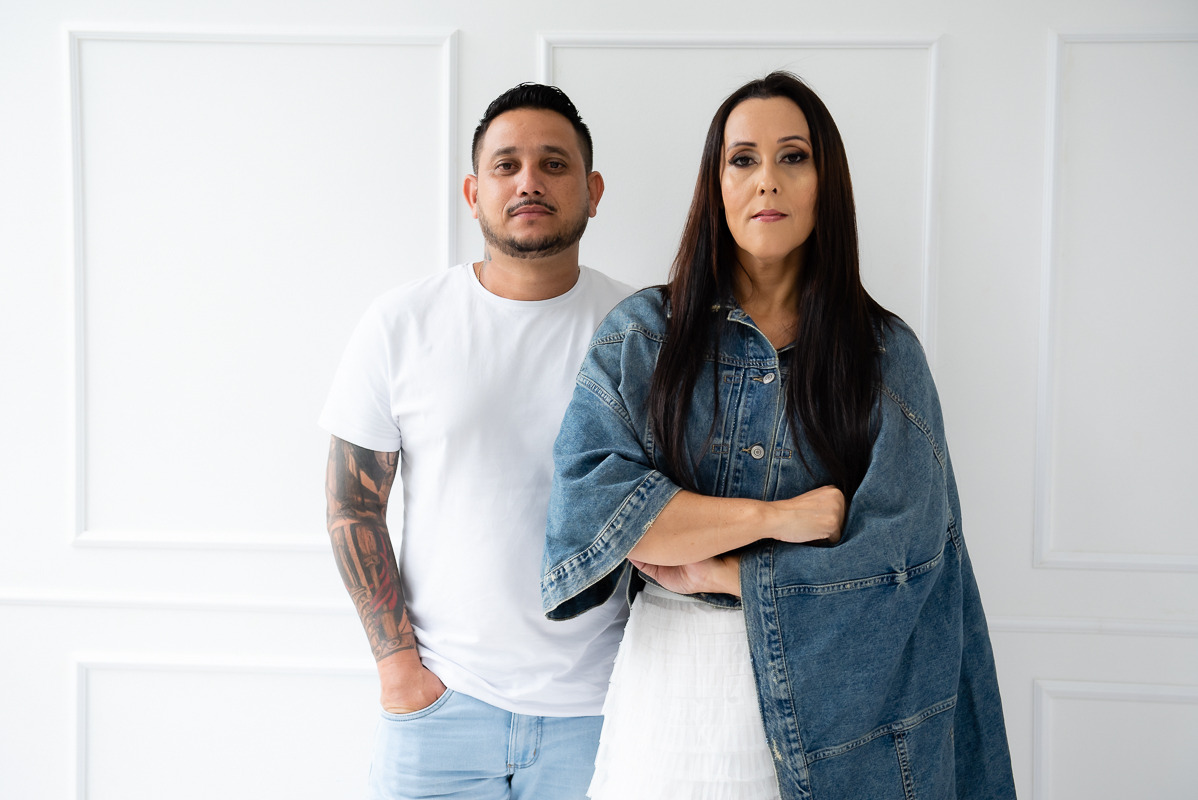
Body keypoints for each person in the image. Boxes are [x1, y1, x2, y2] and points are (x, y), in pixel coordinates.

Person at [543, 72, 1016, 799]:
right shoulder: (642, 337)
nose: (767, 179)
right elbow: (595, 517)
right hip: (669, 701)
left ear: (827, 182)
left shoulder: (886, 358)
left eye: (793, 157)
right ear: (716, 185)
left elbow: (903, 566)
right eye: (743, 159)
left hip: (838, 715)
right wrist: (781, 519)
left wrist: (720, 571)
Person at [322, 83, 634, 799]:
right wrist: (399, 673)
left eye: (554, 164)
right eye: (506, 165)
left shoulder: (644, 330)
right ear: (473, 192)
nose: (529, 181)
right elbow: (351, 505)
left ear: (592, 191)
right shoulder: (402, 322)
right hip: (439, 711)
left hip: (601, 713)